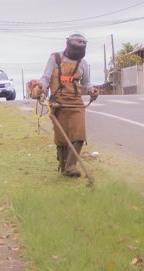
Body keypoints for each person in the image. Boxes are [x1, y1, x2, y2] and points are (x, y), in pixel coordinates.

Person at [32, 33, 98, 177]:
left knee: (79, 135)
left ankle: (70, 166)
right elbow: (45, 78)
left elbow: (85, 84)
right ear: (67, 44)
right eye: (75, 45)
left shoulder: (83, 63)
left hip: (76, 103)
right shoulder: (55, 58)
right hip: (58, 103)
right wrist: (40, 88)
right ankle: (64, 165)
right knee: (62, 137)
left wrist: (92, 90)